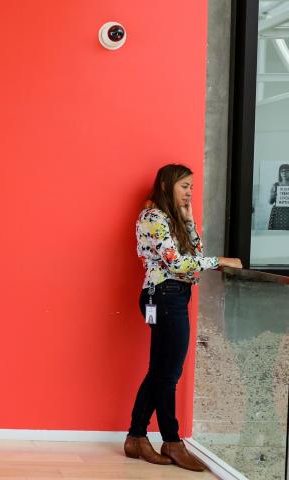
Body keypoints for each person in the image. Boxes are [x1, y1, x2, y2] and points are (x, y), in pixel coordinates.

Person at [124, 164, 242, 471]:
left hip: (173, 296)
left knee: (160, 372)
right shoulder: (153, 217)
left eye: (191, 186)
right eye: (183, 186)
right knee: (168, 374)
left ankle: (136, 438)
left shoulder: (172, 219)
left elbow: (194, 251)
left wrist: (190, 222)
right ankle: (172, 441)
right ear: (165, 185)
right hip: (163, 295)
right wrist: (220, 261)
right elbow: (177, 263)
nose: (189, 192)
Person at [268, 163, 289, 230]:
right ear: (280, 173)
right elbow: (270, 202)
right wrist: (273, 196)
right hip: (278, 213)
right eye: (282, 171)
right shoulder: (275, 185)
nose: (284, 173)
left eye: (286, 171)